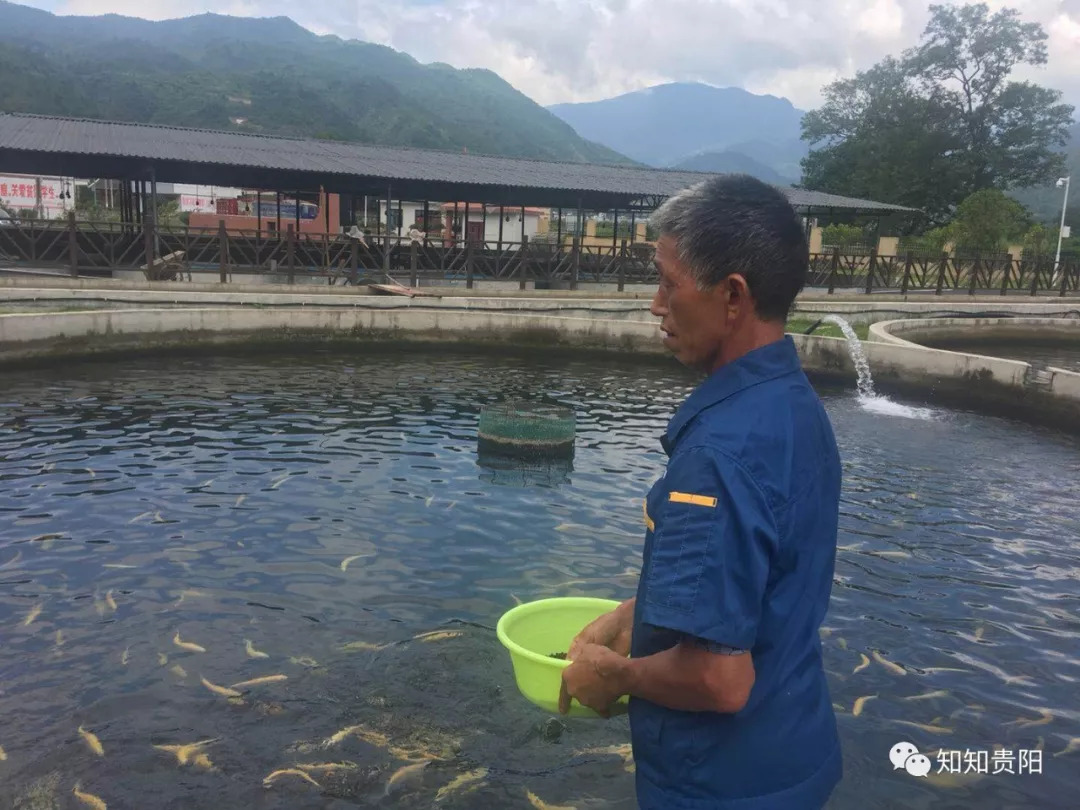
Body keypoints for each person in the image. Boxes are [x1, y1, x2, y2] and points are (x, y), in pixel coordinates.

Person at [558, 174, 843, 809]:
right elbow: (761, 579)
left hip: (723, 785)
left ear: (732, 296)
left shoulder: (718, 457)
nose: (656, 304)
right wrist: (630, 617)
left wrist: (616, 678)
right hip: (794, 754)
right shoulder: (794, 407)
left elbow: (720, 680)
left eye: (668, 282)